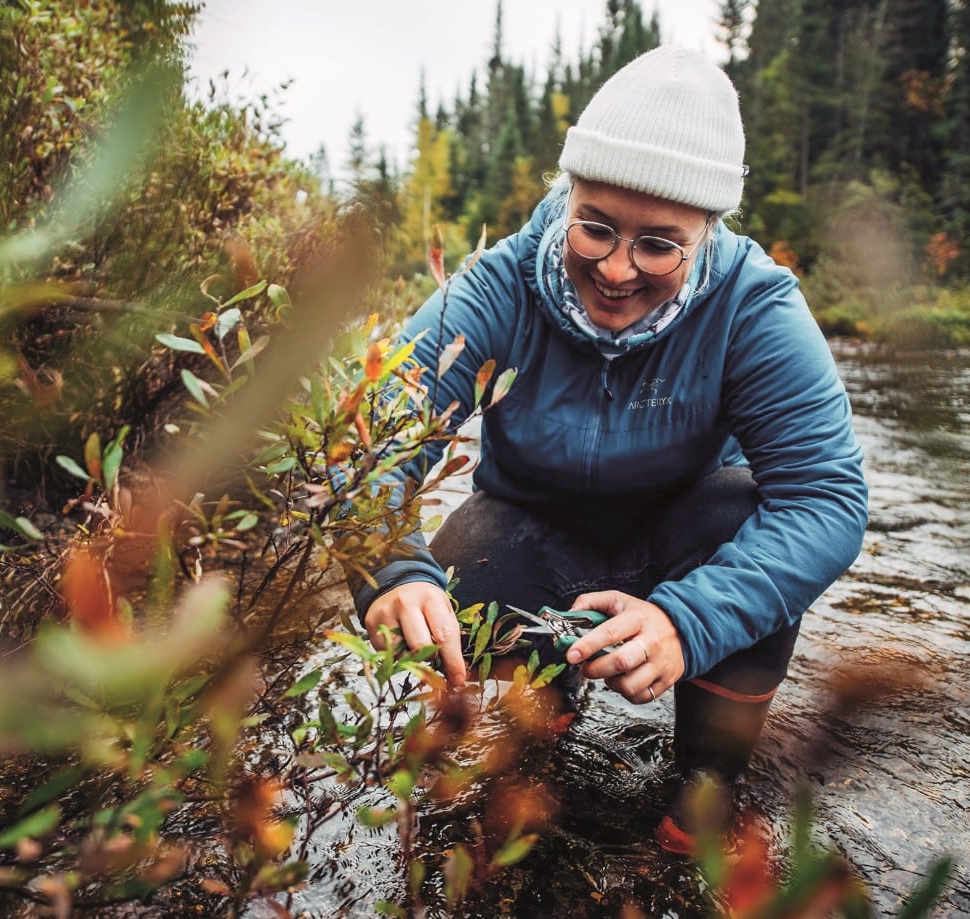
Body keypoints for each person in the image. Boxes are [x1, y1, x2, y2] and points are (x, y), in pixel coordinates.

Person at [351, 46, 868, 854]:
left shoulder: (755, 307)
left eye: (658, 245)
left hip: (687, 542)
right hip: (529, 531)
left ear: (706, 230)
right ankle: (542, 705)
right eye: (594, 227)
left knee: (744, 514)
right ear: (568, 199)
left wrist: (687, 621)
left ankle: (705, 780)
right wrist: (392, 566)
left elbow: (825, 500)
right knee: (450, 571)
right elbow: (366, 441)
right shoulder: (497, 287)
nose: (616, 268)